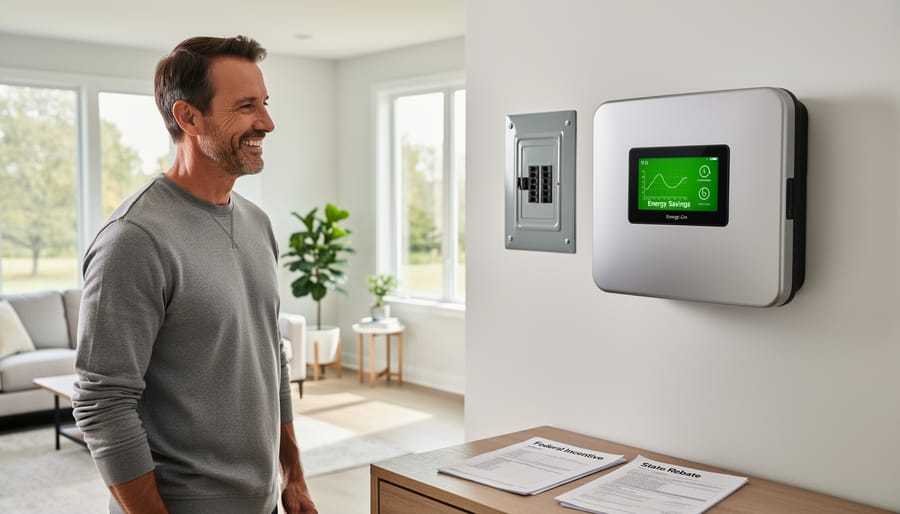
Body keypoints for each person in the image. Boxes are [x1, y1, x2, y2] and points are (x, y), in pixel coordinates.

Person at [72, 35, 317, 514]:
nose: (267, 123)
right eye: (245, 106)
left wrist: (293, 475)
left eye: (264, 104)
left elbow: (272, 355)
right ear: (188, 117)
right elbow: (102, 403)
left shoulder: (257, 223)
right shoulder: (134, 238)